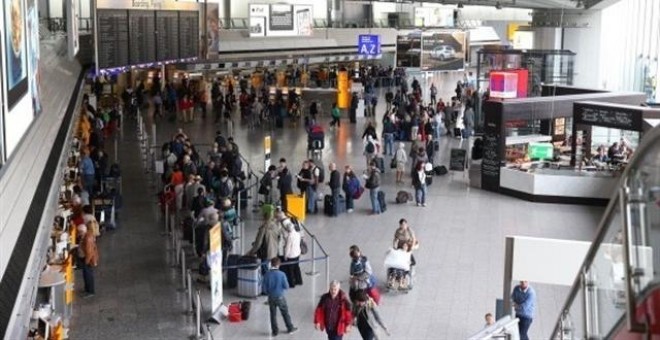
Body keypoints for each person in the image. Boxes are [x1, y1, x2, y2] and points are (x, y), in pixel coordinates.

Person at [262, 257, 298, 336]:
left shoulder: (267, 274)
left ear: (271, 264)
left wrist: (269, 292)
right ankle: (290, 328)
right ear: (279, 265)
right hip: (280, 297)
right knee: (285, 313)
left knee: (273, 314)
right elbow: (286, 286)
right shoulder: (282, 274)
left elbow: (264, 289)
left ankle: (275, 331)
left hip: (271, 297)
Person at [277, 211, 303, 287]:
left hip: (291, 255)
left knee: (290, 270)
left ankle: (292, 283)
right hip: (297, 253)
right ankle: (299, 280)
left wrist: (285, 255)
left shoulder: (290, 236)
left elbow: (288, 247)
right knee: (296, 267)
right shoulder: (297, 233)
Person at [77, 224, 99, 297]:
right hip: (85, 259)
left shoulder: (87, 239)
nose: (78, 233)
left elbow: (89, 253)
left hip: (87, 260)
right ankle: (87, 289)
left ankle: (90, 292)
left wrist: (86, 262)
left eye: (79, 232)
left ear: (82, 231)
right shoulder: (85, 236)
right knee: (86, 275)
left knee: (88, 275)